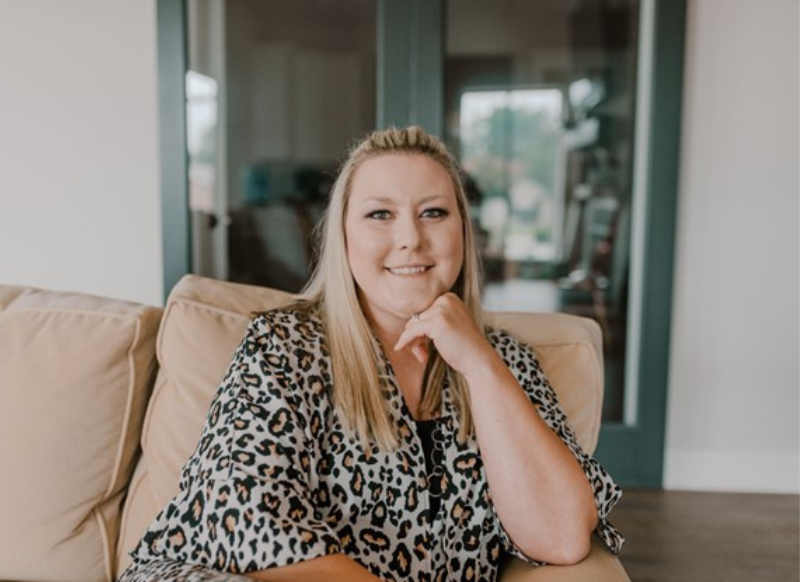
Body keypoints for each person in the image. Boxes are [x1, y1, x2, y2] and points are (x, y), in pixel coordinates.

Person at [120, 126, 623, 582]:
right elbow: (243, 520)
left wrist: (481, 366)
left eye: (433, 213)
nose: (410, 239)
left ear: (463, 232)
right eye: (380, 214)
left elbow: (561, 538)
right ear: (343, 235)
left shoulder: (507, 362)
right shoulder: (281, 346)